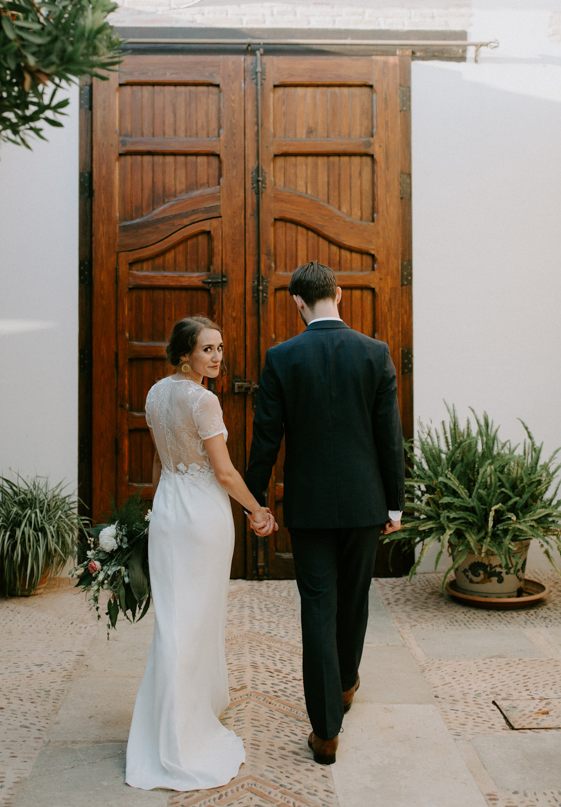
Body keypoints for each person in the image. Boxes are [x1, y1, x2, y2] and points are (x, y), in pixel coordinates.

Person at [245, 262, 405, 766]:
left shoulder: (281, 357)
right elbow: (389, 438)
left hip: (309, 507)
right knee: (355, 599)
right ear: (339, 294)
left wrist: (256, 501)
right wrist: (395, 504)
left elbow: (266, 437)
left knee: (318, 608)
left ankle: (326, 731)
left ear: (297, 302)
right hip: (365, 503)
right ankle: (346, 684)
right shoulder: (374, 353)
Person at [125, 315, 277, 791]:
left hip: (170, 510)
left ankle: (174, 720)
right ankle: (182, 735)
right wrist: (258, 511)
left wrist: (153, 504)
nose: (217, 357)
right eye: (207, 349)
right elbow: (226, 473)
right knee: (192, 618)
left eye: (219, 348)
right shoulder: (204, 400)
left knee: (177, 618)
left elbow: (157, 460)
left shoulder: (155, 393)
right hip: (202, 516)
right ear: (184, 354)